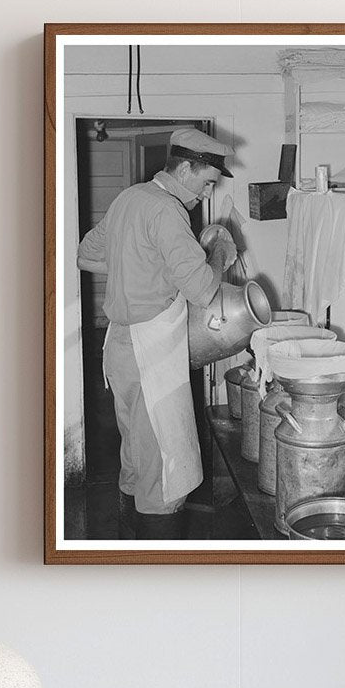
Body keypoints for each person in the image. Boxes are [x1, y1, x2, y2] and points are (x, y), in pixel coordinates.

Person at [77, 127, 238, 541]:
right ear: (184, 169)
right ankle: (157, 556)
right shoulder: (168, 211)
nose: (207, 193)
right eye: (207, 182)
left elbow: (87, 255)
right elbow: (202, 290)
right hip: (151, 352)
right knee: (163, 461)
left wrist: (142, 266)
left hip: (118, 347)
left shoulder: (129, 197)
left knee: (136, 449)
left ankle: (126, 539)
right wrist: (220, 253)